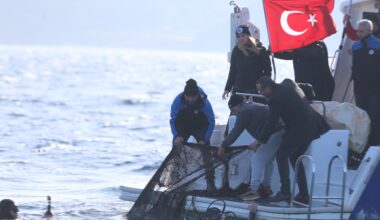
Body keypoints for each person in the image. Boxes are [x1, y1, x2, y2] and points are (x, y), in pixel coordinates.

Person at [255, 76, 330, 203]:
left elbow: (271, 123)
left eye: (261, 90)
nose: (261, 94)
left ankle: (285, 192)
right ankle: (304, 195)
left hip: (300, 129)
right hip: (314, 125)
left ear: (268, 88)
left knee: (281, 155)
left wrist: (259, 141)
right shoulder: (287, 84)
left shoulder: (274, 99)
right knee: (295, 157)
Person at [217, 94, 284, 200]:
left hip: (274, 133)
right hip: (280, 131)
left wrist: (223, 145)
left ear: (237, 105)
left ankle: (254, 190)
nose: (233, 113)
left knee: (256, 160)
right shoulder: (252, 105)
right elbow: (263, 124)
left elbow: (236, 131)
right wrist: (258, 143)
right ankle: (267, 187)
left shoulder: (244, 112)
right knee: (268, 161)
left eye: (233, 109)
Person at [170, 78, 216, 190]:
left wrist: (204, 139)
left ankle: (211, 183)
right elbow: (173, 119)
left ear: (197, 96)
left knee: (206, 152)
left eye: (193, 97)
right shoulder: (178, 101)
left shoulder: (205, 103)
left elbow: (211, 121)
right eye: (188, 97)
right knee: (176, 149)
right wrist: (177, 135)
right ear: (184, 95)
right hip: (183, 126)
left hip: (200, 126)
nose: (190, 99)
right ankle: (174, 180)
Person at [351, 19, 380, 148]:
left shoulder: (378, 45)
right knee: (362, 118)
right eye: (357, 31)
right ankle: (363, 146)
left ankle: (376, 146)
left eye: (361, 31)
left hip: (375, 90)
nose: (358, 34)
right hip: (359, 89)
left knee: (375, 118)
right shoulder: (355, 46)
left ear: (370, 30)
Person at [222, 25, 271, 100]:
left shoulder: (260, 50)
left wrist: (264, 86)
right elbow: (233, 71)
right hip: (239, 89)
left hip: (256, 91)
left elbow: (267, 70)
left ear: (248, 35)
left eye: (243, 35)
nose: (241, 38)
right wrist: (227, 89)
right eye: (238, 36)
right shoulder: (236, 50)